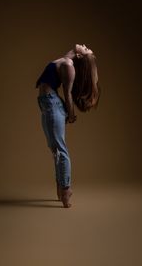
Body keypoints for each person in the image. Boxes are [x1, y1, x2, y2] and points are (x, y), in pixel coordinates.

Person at [36, 44, 100, 208]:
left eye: (86, 50)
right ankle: (61, 190)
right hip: (47, 104)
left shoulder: (68, 66)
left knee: (60, 150)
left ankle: (66, 190)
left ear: (80, 56)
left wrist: (70, 114)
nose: (85, 46)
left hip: (52, 104)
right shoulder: (66, 61)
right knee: (55, 149)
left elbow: (68, 94)